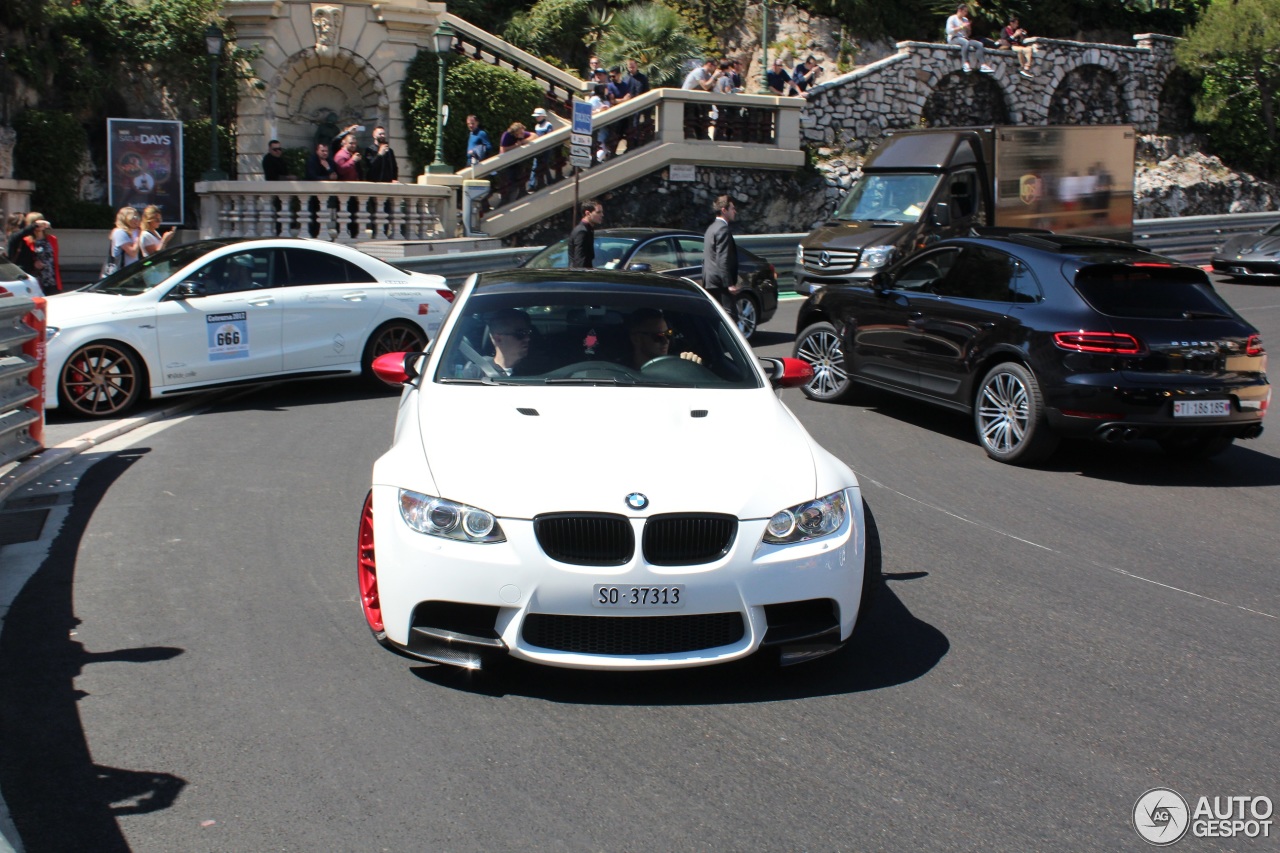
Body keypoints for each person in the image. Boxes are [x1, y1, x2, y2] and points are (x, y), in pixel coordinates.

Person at [626, 308, 702, 370]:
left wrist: (692, 368)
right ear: (636, 339)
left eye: (668, 334)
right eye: (658, 336)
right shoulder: (618, 372)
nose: (666, 341)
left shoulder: (679, 366)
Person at [702, 194, 739, 322]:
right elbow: (722, 258)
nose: (735, 211)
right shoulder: (723, 229)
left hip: (710, 281)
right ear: (724, 210)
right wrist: (729, 284)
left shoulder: (711, 228)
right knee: (731, 318)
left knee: (715, 318)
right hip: (720, 283)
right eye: (732, 208)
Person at [13, 214, 62, 294]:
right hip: (35, 281)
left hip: (51, 280)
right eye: (37, 224)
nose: (40, 226)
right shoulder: (26, 241)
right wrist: (34, 264)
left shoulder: (52, 239)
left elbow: (54, 260)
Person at [947, 4, 993, 74]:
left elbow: (968, 34)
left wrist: (968, 29)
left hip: (964, 38)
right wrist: (962, 27)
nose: (966, 13)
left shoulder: (965, 20)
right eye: (965, 11)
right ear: (959, 10)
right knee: (965, 42)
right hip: (954, 38)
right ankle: (965, 63)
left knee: (979, 44)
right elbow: (949, 31)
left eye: (966, 12)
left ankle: (983, 65)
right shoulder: (952, 18)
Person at [568, 200, 603, 268]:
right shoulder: (582, 232)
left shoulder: (587, 229)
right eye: (598, 212)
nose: (602, 215)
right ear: (588, 213)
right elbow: (580, 260)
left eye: (602, 212)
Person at [527, 108, 555, 191]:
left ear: (543, 116)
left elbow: (549, 137)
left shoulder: (548, 125)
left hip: (546, 149)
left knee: (544, 164)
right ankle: (532, 184)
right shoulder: (537, 126)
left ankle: (547, 181)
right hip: (538, 149)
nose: (537, 118)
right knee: (536, 165)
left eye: (538, 116)